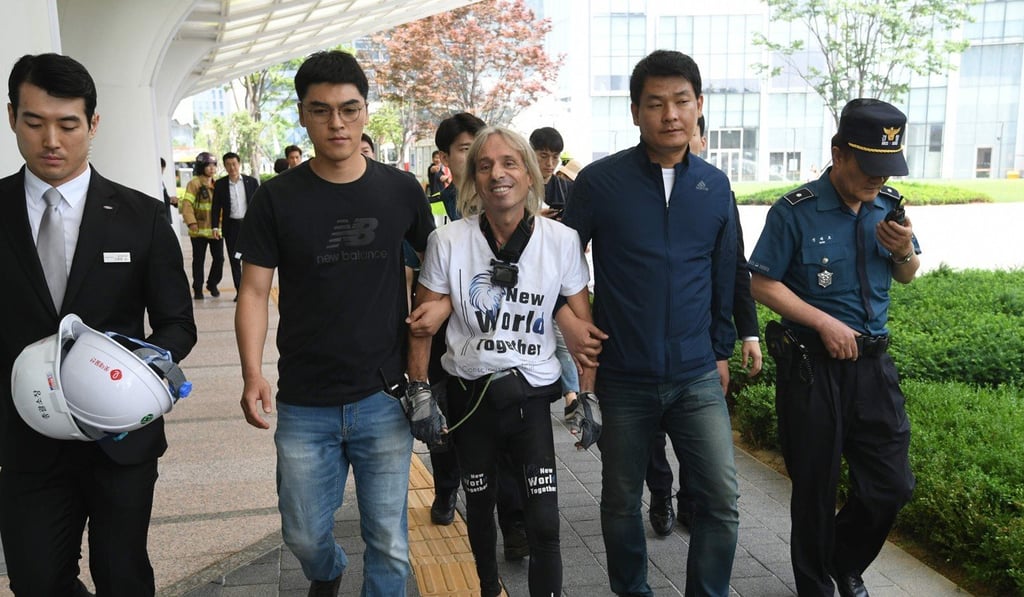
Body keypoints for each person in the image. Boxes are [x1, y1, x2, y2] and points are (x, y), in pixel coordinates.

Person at [234, 50, 434, 597]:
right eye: (321, 110)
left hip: (383, 395)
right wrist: (252, 373)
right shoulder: (276, 197)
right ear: (303, 115)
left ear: (366, 111)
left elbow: (439, 264)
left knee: (389, 541)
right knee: (302, 534)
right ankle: (327, 570)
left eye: (349, 109)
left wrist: (434, 310)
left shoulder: (400, 190)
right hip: (305, 399)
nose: (337, 123)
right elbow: (253, 291)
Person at [0, 52, 196, 596]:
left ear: (93, 124)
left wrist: (132, 372)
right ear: (12, 116)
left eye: (68, 125)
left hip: (120, 437)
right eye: (34, 122)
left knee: (122, 576)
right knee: (35, 581)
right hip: (26, 438)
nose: (51, 141)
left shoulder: (142, 216)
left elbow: (178, 324)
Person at [562, 49, 739, 597]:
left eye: (681, 101)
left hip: (695, 375)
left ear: (699, 105)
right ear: (635, 111)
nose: (670, 115)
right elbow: (558, 263)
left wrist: (723, 348)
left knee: (721, 500)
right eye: (656, 103)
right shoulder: (600, 182)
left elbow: (726, 271)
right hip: (623, 374)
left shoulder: (714, 186)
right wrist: (568, 321)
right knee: (620, 500)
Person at [405, 126, 596, 597]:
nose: (497, 174)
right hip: (470, 397)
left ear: (530, 175)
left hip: (530, 400)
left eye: (510, 163)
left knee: (545, 523)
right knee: (480, 509)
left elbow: (584, 329)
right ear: (473, 178)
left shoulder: (562, 240)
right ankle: (489, 588)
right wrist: (419, 390)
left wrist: (587, 395)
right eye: (485, 165)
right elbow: (421, 324)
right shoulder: (448, 241)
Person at [748, 98, 919, 597]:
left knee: (892, 484)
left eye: (886, 169)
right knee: (815, 488)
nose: (877, 179)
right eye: (867, 167)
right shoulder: (795, 211)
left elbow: (908, 274)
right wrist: (823, 322)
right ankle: (817, 585)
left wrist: (902, 250)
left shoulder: (888, 205)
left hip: (873, 368)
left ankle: (843, 561)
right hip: (812, 367)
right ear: (838, 153)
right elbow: (761, 283)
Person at [644, 115, 763, 535]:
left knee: (699, 432)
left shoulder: (717, 190)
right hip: (645, 344)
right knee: (652, 432)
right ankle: (660, 491)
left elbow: (735, 266)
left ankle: (691, 500)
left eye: (691, 133)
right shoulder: (643, 190)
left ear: (702, 139)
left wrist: (746, 333)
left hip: (701, 343)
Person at [528, 126, 579, 420]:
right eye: (543, 156)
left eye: (555, 157)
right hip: (525, 271)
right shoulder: (518, 183)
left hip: (555, 270)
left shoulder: (565, 187)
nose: (549, 163)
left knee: (560, 331)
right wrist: (533, 218)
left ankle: (572, 394)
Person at [211, 151, 259, 300]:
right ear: (225, 166)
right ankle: (240, 291)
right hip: (231, 227)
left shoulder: (251, 182)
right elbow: (215, 207)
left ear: (239, 164)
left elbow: (259, 205)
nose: (232, 167)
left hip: (249, 226)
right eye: (228, 164)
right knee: (235, 259)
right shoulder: (220, 184)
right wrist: (215, 227)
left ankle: (252, 289)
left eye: (234, 164)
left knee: (251, 258)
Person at [180, 151, 223, 300]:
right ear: (201, 167)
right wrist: (191, 222)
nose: (212, 168)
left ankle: (212, 284)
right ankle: (197, 288)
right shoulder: (194, 184)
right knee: (198, 261)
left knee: (219, 259)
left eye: (214, 165)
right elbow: (187, 204)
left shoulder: (217, 184)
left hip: (215, 230)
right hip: (198, 230)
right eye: (208, 165)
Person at [160, 157, 177, 224]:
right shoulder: (157, 182)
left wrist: (171, 200)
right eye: (162, 170)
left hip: (166, 217)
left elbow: (164, 196)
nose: (162, 172)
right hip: (163, 217)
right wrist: (169, 200)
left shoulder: (161, 182)